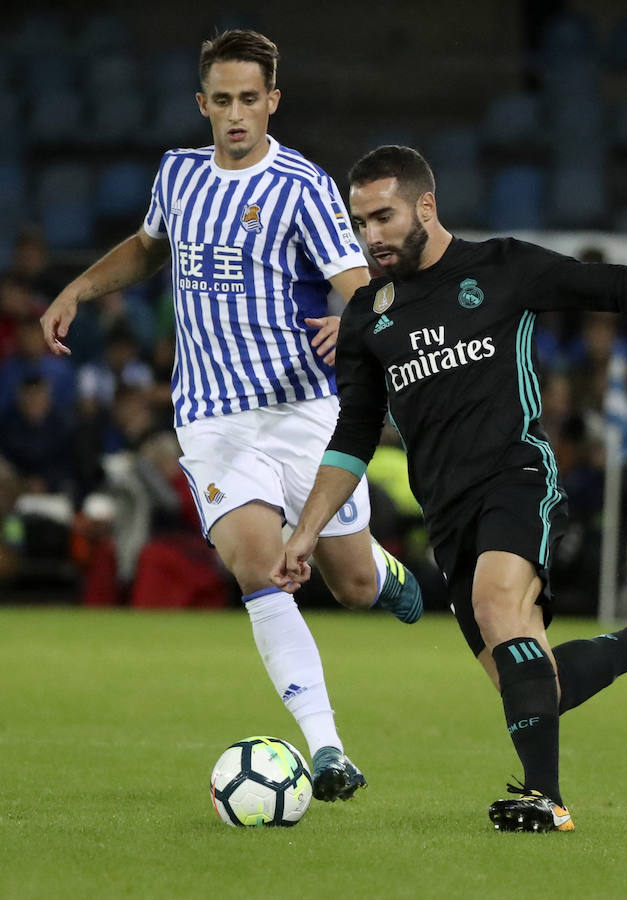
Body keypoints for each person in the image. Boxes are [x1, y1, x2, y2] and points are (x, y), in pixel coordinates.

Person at [274, 146, 627, 832]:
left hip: (516, 475)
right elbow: (353, 435)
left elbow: (614, 286)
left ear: (425, 205)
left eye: (383, 217)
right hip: (446, 512)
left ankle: (546, 799)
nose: (371, 237)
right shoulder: (366, 316)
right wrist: (305, 532)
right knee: (533, 684)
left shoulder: (501, 267)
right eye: (360, 222)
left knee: (495, 603)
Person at [40, 32, 423, 803]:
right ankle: (327, 750)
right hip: (212, 419)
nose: (236, 114)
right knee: (259, 566)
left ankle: (381, 570)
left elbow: (360, 285)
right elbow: (151, 248)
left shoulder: (303, 185)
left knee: (347, 583)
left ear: (272, 101)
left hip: (301, 411)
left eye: (251, 99)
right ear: (202, 104)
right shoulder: (178, 174)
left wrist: (352, 321)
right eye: (223, 100)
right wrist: (80, 288)